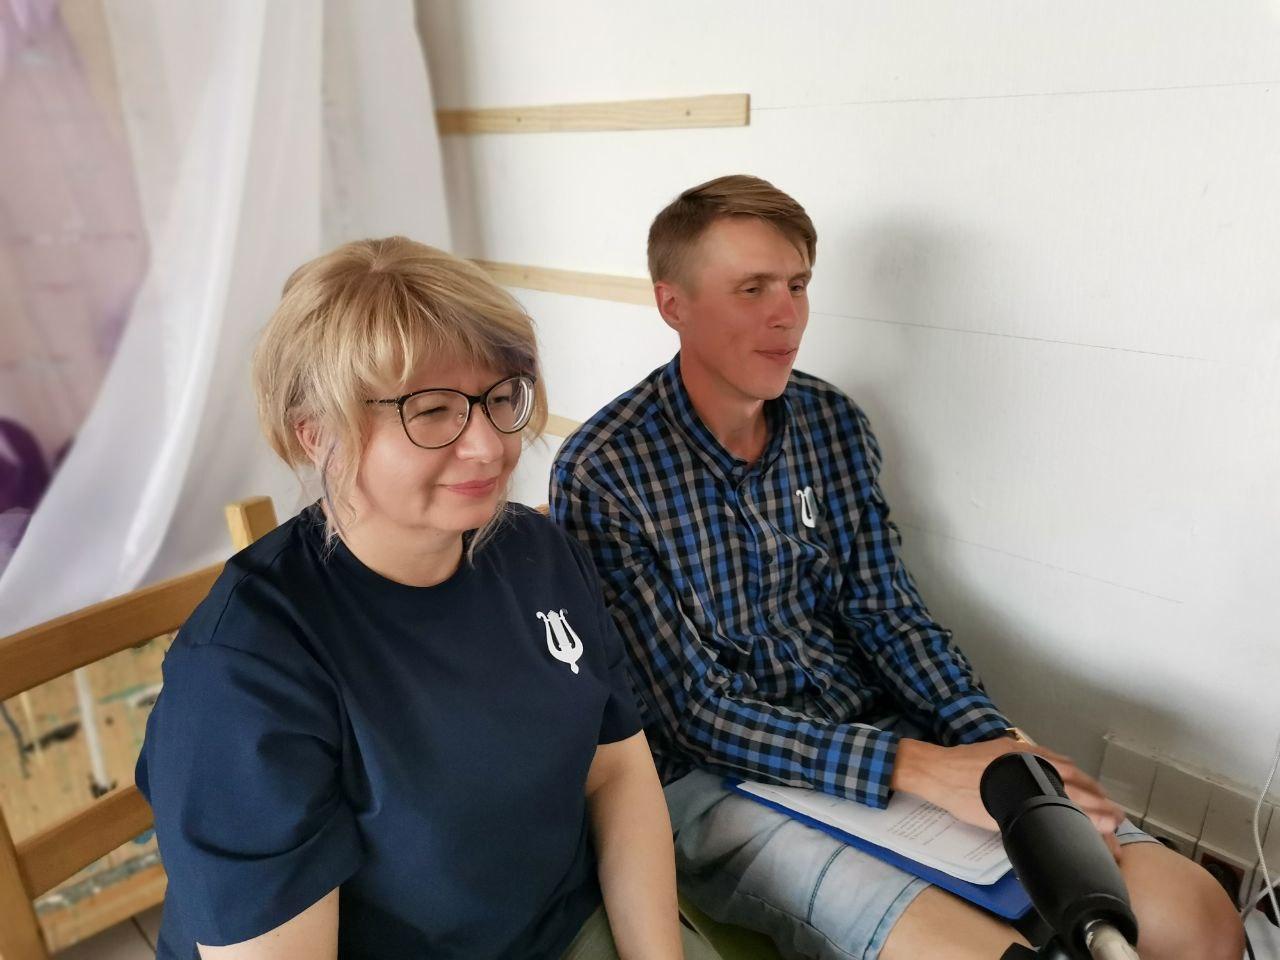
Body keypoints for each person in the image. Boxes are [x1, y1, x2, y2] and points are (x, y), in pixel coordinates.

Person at [550, 176, 1244, 959]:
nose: (787, 314)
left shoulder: (832, 423)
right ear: (673, 304)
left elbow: (887, 613)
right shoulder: (605, 472)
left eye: (798, 285)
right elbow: (693, 715)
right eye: (752, 289)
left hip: (880, 730)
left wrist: (996, 749)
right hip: (725, 780)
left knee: (1197, 919)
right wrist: (919, 770)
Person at [137, 237, 720, 960]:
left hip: (561, 926)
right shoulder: (244, 669)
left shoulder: (539, 555)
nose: (488, 446)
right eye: (433, 410)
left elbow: (617, 773)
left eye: (500, 398)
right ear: (316, 434)